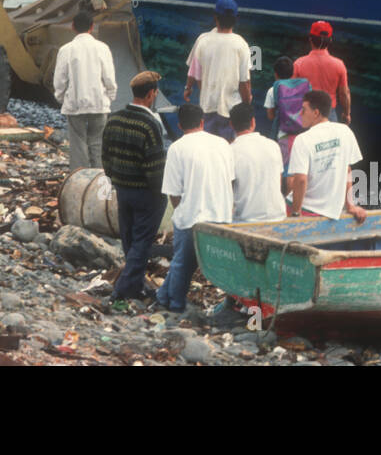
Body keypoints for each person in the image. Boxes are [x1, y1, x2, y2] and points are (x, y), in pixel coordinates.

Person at [154, 102, 234, 314]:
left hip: (193, 216)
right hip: (221, 214)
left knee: (182, 262)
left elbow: (173, 192)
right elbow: (231, 179)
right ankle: (163, 296)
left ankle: (176, 305)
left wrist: (181, 211)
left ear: (180, 125)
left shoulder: (177, 148)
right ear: (202, 122)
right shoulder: (223, 144)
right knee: (213, 265)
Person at [101, 70, 169, 305]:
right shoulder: (150, 124)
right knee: (141, 241)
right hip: (145, 193)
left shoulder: (115, 118)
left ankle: (136, 284)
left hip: (122, 189)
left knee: (129, 239)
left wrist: (116, 178)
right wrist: (161, 194)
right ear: (151, 94)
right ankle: (122, 290)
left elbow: (106, 157)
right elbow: (155, 167)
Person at [286, 90, 367, 222]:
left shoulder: (303, 139)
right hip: (332, 211)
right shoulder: (345, 131)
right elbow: (347, 170)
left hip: (306, 210)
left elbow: (300, 180)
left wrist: (296, 213)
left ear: (316, 113)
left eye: (303, 110)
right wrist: (350, 206)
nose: (300, 114)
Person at [52, 10, 118, 170]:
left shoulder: (66, 49)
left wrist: (61, 98)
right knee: (97, 144)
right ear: (92, 27)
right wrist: (110, 96)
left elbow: (59, 80)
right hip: (99, 102)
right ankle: (99, 180)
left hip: (75, 104)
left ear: (73, 27)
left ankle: (80, 181)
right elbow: (109, 77)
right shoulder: (103, 48)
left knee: (78, 145)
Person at [184, 0, 251, 140]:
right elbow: (244, 82)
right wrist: (247, 104)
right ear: (235, 19)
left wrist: (188, 88)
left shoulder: (203, 40)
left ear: (215, 17)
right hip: (231, 111)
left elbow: (194, 72)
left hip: (207, 108)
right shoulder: (241, 44)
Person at [229, 102, 287, 223]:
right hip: (278, 216)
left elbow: (228, 190)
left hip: (246, 220)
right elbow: (279, 181)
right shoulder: (273, 145)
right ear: (253, 122)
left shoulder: (230, 151)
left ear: (232, 125)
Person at [293, 20, 351, 124]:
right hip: (329, 115)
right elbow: (344, 94)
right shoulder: (339, 65)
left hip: (306, 115)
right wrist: (346, 114)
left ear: (310, 39)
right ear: (330, 40)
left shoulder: (299, 64)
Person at [265, 55, 310, 167]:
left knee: (283, 168)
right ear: (293, 72)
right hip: (303, 134)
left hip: (284, 136)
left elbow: (270, 116)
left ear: (275, 73)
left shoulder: (272, 90)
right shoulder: (302, 87)